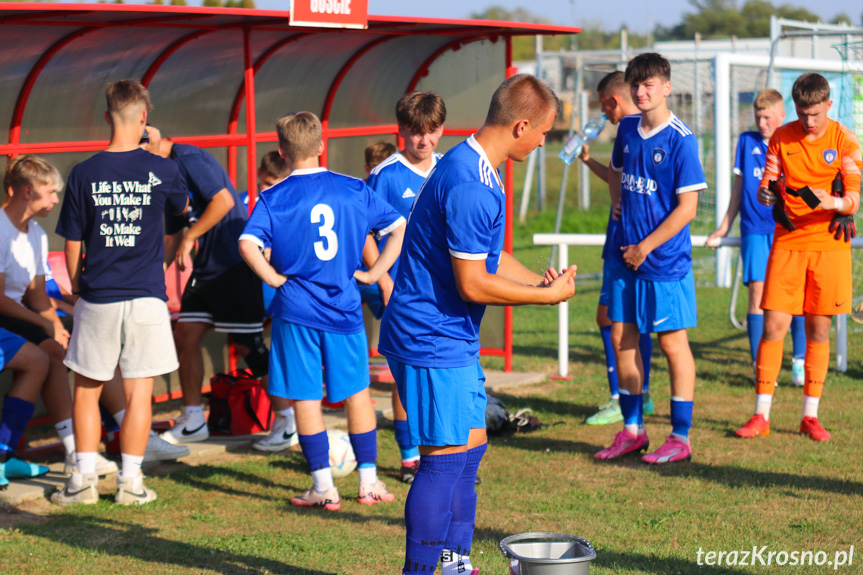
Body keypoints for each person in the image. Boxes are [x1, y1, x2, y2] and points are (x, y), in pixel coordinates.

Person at [379, 74, 577, 575]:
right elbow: (472, 282)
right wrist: (545, 300)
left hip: (448, 336)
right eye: (544, 133)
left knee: (469, 455)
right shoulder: (470, 181)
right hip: (430, 336)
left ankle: (454, 563)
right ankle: (421, 570)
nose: (542, 143)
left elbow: (491, 256)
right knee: (444, 461)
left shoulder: (476, 168)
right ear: (522, 125)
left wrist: (539, 283)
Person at [239, 111, 405, 510]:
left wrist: (273, 278)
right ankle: (368, 483)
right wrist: (374, 272)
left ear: (281, 151)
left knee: (306, 398)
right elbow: (397, 226)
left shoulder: (273, 196)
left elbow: (247, 243)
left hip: (295, 310)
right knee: (357, 395)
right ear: (321, 146)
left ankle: (323, 487)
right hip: (344, 307)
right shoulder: (352, 188)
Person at [52, 79, 188, 505]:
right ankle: (131, 483)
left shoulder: (84, 172)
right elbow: (180, 213)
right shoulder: (163, 169)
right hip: (147, 295)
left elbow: (72, 242)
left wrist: (76, 286)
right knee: (139, 391)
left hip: (98, 295)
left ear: (107, 116)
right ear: (144, 118)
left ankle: (84, 481)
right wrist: (157, 150)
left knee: (88, 390)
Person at [735, 72, 861, 442]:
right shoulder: (781, 137)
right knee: (773, 325)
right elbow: (767, 184)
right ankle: (761, 414)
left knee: (818, 329)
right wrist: (767, 195)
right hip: (788, 241)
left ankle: (810, 415)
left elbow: (854, 196)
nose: (809, 121)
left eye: (816, 114)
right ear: (796, 108)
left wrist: (834, 202)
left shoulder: (845, 140)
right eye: (804, 113)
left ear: (829, 106)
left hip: (829, 244)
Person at [596, 52, 707, 465]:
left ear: (666, 87)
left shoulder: (681, 140)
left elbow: (687, 209)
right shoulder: (626, 128)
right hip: (626, 258)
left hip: (664, 263)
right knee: (622, 339)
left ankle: (680, 436)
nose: (641, 92)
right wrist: (616, 206)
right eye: (636, 86)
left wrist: (647, 245)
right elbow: (615, 170)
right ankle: (632, 430)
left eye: (649, 85)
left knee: (672, 344)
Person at [146, 128, 269, 446]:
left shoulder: (188, 157)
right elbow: (173, 232)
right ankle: (193, 420)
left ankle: (288, 418)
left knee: (248, 348)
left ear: (153, 140)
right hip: (205, 273)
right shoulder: (160, 173)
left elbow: (224, 201)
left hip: (233, 266)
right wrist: (152, 278)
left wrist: (190, 236)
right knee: (186, 336)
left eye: (137, 152)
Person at [1, 155, 119, 476]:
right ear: (27, 191)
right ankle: (13, 454)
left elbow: (38, 295)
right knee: (47, 353)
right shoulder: (0, 228)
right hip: (5, 317)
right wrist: (46, 323)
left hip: (18, 317)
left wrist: (56, 325)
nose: (56, 199)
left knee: (63, 347)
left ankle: (77, 452)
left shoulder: (36, 233)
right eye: (50, 192)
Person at [366, 92, 446, 484]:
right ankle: (410, 456)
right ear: (401, 132)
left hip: (441, 293)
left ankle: (443, 453)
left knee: (440, 372)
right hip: (401, 294)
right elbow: (364, 233)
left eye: (431, 132)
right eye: (416, 133)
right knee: (407, 374)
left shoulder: (448, 169)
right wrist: (383, 278)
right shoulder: (386, 175)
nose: (424, 141)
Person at [707, 89, 807, 383]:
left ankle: (798, 360)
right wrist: (724, 226)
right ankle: (759, 364)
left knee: (793, 298)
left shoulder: (794, 141)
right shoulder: (746, 142)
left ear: (781, 115)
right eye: (757, 117)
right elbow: (739, 187)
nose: (762, 122)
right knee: (757, 297)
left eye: (766, 117)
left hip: (786, 231)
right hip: (753, 231)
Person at [576, 71, 655, 426]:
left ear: (613, 102)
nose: (603, 114)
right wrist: (589, 161)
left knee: (612, 319)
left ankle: (620, 397)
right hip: (623, 235)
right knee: (630, 321)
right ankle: (642, 393)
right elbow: (617, 179)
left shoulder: (635, 132)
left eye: (604, 106)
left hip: (628, 239)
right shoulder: (632, 133)